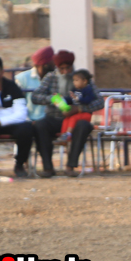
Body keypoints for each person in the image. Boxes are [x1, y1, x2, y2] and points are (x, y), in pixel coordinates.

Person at [30, 50, 102, 178]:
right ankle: (48, 167)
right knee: (40, 126)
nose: (65, 72)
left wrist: (79, 108)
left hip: (75, 119)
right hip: (54, 117)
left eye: (68, 68)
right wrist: (52, 99)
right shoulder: (50, 77)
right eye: (61, 69)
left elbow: (100, 101)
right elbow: (35, 96)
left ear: (72, 66)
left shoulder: (82, 78)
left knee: (83, 126)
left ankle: (71, 166)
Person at [14, 46, 55, 121]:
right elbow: (18, 105)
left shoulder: (56, 77)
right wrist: (28, 121)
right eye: (53, 60)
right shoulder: (22, 78)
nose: (55, 63)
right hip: (29, 122)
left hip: (51, 121)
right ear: (45, 64)